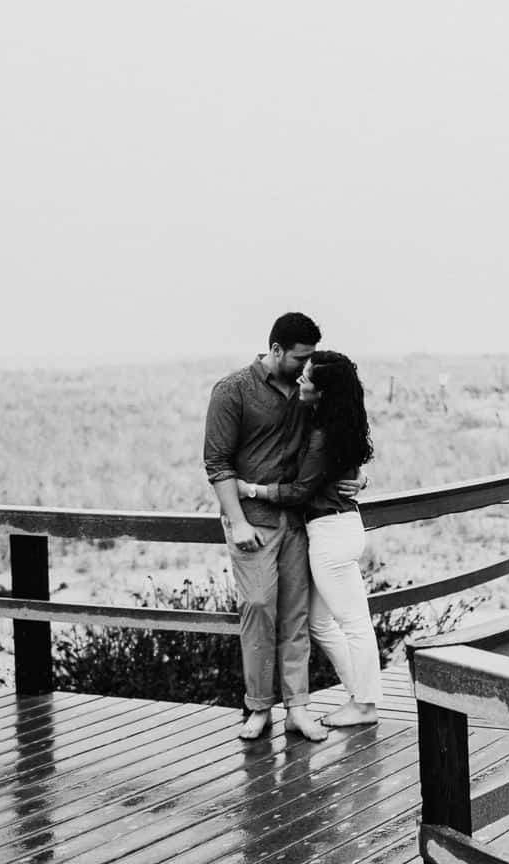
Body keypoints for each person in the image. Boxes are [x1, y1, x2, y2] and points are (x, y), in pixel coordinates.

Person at [203, 312, 361, 741]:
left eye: (311, 358)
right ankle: (258, 708)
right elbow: (216, 462)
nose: (307, 366)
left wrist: (358, 474)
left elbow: (339, 432)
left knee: (295, 617)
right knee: (258, 608)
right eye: (300, 357)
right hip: (252, 524)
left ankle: (298, 709)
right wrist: (237, 521)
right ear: (275, 350)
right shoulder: (233, 390)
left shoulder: (309, 391)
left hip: (298, 521)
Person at [237, 350, 381, 727]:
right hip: (337, 528)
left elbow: (300, 490)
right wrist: (360, 478)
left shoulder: (322, 435)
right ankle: (360, 697)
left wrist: (251, 490)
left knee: (353, 623)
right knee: (319, 624)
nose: (300, 379)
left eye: (307, 378)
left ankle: (365, 705)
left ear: (322, 392)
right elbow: (342, 473)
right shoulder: (337, 423)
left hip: (331, 534)